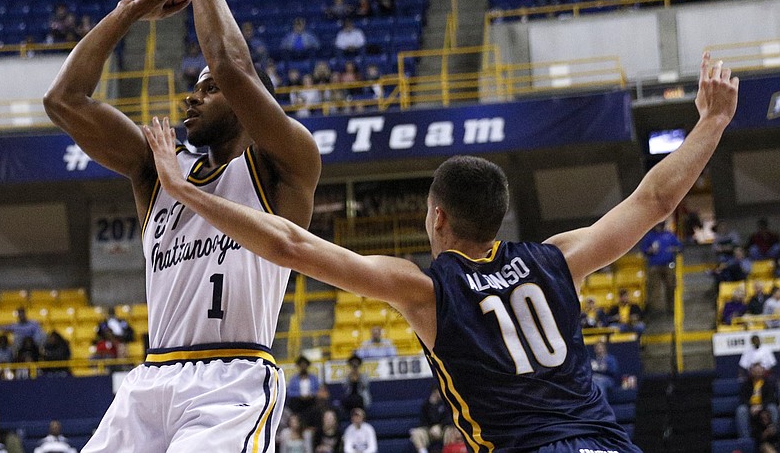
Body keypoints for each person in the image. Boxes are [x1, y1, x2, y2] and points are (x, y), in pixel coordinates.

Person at [143, 51, 739, 451]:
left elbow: (290, 243)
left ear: (438, 217)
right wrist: (711, 121)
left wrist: (179, 188)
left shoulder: (427, 290)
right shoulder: (557, 258)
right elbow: (655, 200)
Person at [42, 0, 321, 451]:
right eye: (193, 88)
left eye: (207, 90)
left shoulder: (286, 165)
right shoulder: (160, 170)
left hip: (232, 382)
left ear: (250, 104)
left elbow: (232, 68)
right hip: (150, 380)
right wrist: (132, 10)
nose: (192, 96)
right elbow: (63, 99)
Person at [640, 221, 683, 313]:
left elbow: (679, 247)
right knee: (654, 287)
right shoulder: (650, 236)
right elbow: (643, 250)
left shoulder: (669, 235)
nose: (659, 226)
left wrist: (674, 249)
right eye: (657, 225)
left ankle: (671, 307)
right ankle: (655, 310)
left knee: (671, 285)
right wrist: (650, 250)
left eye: (661, 224)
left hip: (668, 264)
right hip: (654, 265)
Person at [736, 363, 779, 439]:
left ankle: (773, 432)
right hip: (751, 407)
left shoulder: (768, 383)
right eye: (755, 371)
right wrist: (751, 406)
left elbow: (771, 398)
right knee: (741, 410)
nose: (757, 373)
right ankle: (746, 438)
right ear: (751, 372)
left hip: (763, 405)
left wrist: (761, 406)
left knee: (773, 408)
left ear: (763, 371)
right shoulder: (746, 384)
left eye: (759, 371)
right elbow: (743, 398)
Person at [409, 385, 450, 453]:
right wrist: (432, 405)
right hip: (429, 430)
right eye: (438, 392)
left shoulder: (446, 403)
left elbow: (449, 419)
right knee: (416, 434)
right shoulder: (426, 405)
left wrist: (440, 426)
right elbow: (424, 420)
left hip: (443, 430)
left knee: (450, 431)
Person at [286, 355, 320, 426]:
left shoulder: (313, 378)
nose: (303, 367)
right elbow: (290, 392)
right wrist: (299, 395)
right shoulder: (294, 379)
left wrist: (311, 394)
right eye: (301, 365)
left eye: (304, 365)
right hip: (298, 401)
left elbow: (317, 390)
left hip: (310, 400)